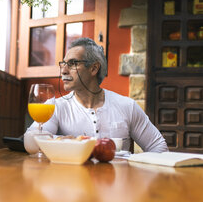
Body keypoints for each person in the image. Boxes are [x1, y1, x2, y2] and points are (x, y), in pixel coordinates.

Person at [25, 37, 168, 152]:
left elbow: (159, 147)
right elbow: (31, 142)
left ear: (94, 68)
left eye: (73, 63)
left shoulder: (127, 106)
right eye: (63, 64)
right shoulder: (54, 106)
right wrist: (63, 140)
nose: (63, 71)